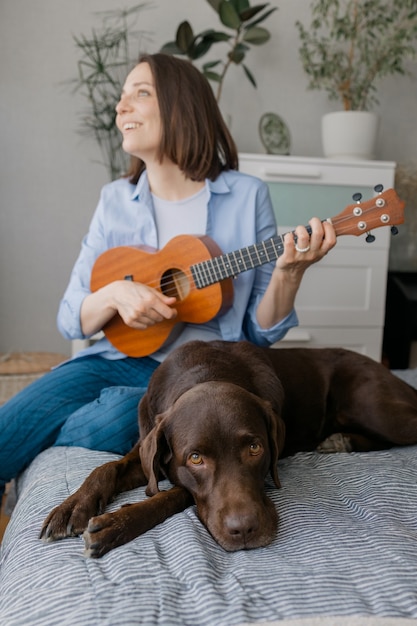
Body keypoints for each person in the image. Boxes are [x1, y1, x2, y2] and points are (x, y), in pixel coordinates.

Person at [0, 53, 336, 500]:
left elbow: (259, 332)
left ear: (182, 106)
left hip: (195, 370)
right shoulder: (115, 199)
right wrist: (116, 293)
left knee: (117, 414)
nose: (122, 108)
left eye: (140, 93)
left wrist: (290, 273)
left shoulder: (246, 195)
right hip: (115, 356)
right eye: (122, 97)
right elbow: (70, 316)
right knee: (12, 423)